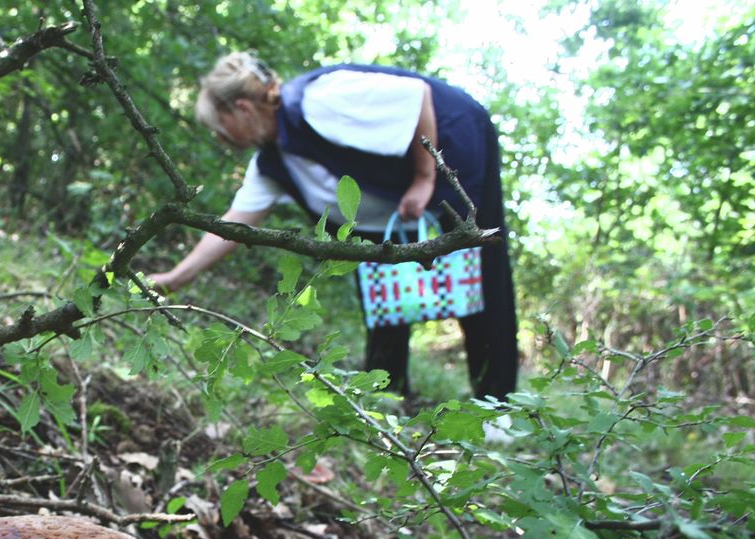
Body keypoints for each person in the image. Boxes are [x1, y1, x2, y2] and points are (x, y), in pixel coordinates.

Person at [148, 53, 518, 402]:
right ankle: (386, 393)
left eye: (219, 128)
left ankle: (496, 403)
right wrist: (175, 278)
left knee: (481, 274)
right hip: (389, 209)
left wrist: (424, 178)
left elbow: (415, 96)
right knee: (379, 285)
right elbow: (234, 223)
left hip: (455, 142)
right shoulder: (272, 163)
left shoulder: (319, 100)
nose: (220, 139)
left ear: (242, 109)